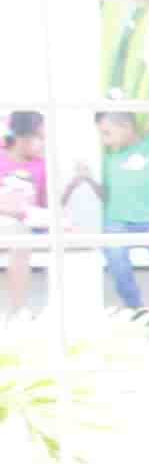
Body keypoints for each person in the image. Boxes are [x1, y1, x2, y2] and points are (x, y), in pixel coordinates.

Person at [93, 110, 149, 334]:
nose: (103, 139)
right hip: (117, 221)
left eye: (107, 133)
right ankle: (137, 311)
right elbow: (106, 194)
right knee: (116, 258)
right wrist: (86, 179)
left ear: (126, 127)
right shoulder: (107, 158)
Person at [1, 112, 45, 314]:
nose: (43, 144)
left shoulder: (41, 165)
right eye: (39, 138)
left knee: (20, 240)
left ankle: (19, 310)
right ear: (21, 138)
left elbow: (44, 203)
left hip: (24, 223)